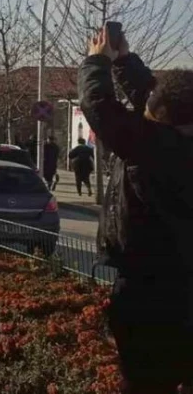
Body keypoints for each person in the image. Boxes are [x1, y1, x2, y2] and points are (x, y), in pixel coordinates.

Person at [79, 25, 193, 391]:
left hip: (152, 297)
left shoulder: (161, 150)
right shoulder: (176, 140)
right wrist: (124, 61)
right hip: (179, 287)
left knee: (146, 383)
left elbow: (100, 108)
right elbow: (158, 100)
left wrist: (97, 62)